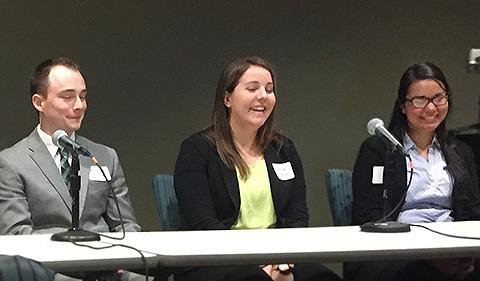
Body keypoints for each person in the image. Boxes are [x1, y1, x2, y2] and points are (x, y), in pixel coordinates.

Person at [169, 56, 341, 281]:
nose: (263, 96)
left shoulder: (283, 149)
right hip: (215, 258)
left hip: (279, 256)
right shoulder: (198, 150)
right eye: (252, 88)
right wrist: (257, 264)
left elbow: (297, 217)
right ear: (227, 98)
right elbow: (203, 224)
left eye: (269, 89)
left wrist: (282, 263)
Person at [0, 57, 142, 280]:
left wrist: (119, 261)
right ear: (39, 102)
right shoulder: (12, 162)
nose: (79, 105)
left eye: (83, 97)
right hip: (52, 270)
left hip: (109, 267)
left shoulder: (104, 156)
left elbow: (126, 226)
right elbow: (17, 235)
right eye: (67, 97)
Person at [347, 62, 480, 281]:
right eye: (420, 100)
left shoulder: (461, 151)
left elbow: (473, 214)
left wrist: (462, 252)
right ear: (402, 105)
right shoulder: (378, 150)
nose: (431, 108)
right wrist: (428, 257)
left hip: (452, 244)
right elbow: (368, 216)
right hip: (398, 250)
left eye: (439, 98)